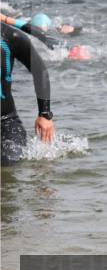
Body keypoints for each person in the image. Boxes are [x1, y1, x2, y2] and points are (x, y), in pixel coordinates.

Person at [1, 23, 55, 166]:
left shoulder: (10, 36)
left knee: (7, 165)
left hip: (6, 122)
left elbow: (39, 70)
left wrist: (44, 115)